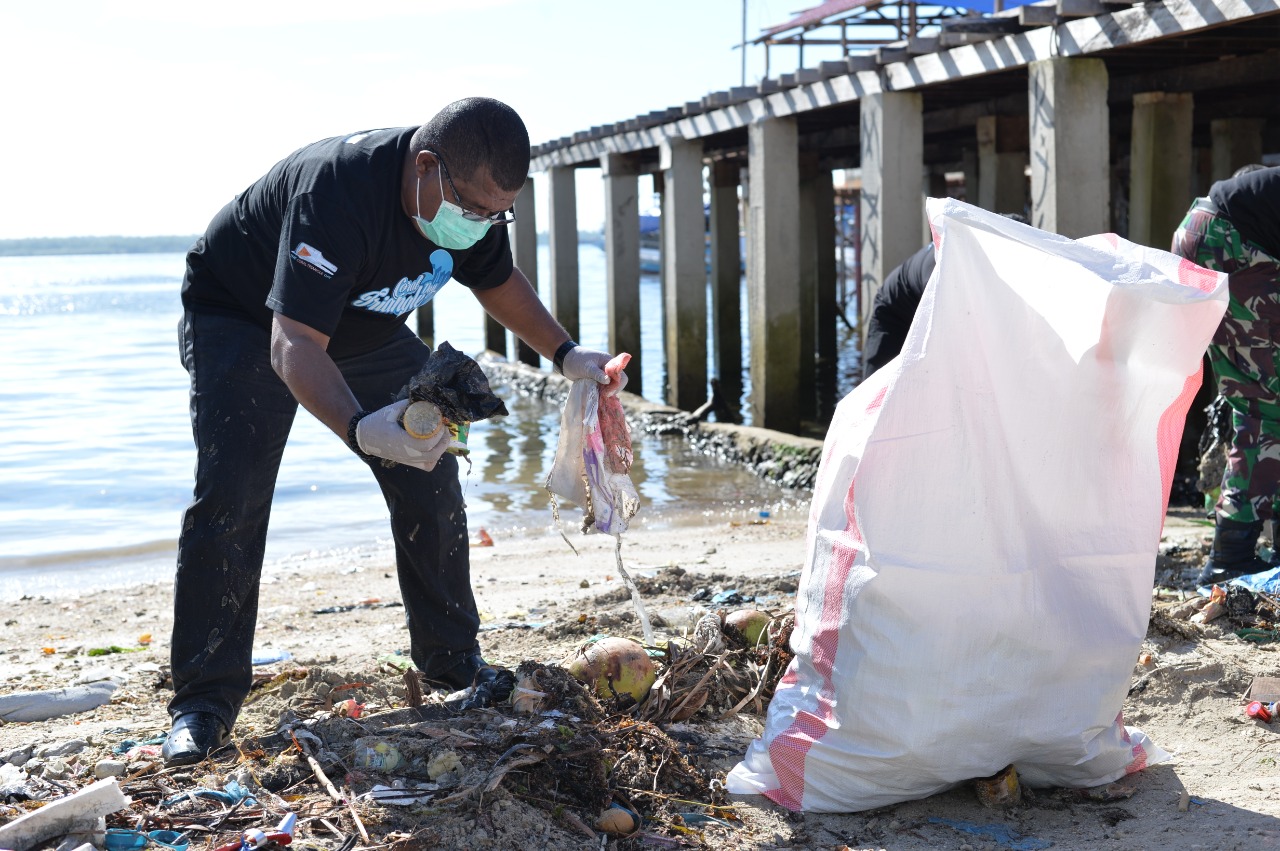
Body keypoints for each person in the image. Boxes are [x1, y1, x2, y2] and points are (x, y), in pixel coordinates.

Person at [163, 97, 626, 767]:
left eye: (499, 213)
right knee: (233, 494)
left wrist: (567, 354)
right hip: (244, 318)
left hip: (365, 328)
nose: (482, 225)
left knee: (432, 466)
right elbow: (292, 342)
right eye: (473, 210)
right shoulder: (340, 191)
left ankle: (450, 662)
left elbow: (497, 280)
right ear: (426, 167)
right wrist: (359, 426)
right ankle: (203, 702)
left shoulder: (469, 199)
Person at [1171, 165, 1280, 586]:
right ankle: (1229, 557)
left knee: (1259, 402)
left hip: (1205, 231)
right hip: (1233, 242)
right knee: (1266, 410)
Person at [863, 212, 1027, 378]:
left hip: (927, 307)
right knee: (877, 390)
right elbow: (945, 332)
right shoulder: (944, 264)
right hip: (895, 315)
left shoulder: (993, 262)